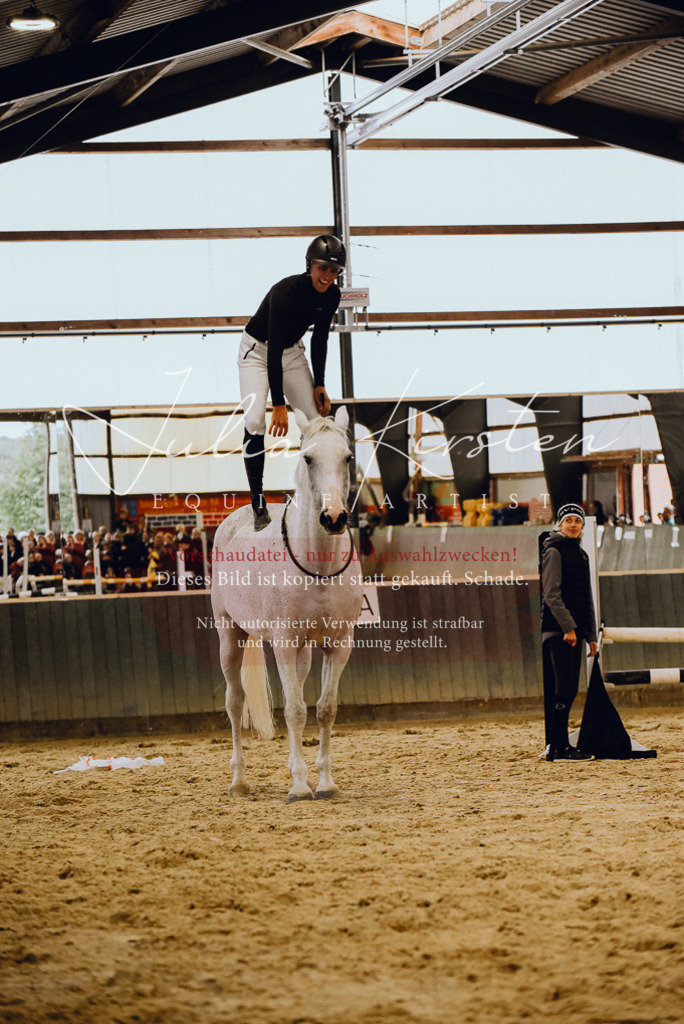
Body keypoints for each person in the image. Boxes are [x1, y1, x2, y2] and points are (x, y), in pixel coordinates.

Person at [238, 234, 346, 531]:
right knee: (256, 419)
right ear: (310, 265)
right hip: (258, 352)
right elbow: (272, 350)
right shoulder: (285, 292)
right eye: (323, 268)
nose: (327, 276)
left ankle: (322, 498)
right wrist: (278, 404)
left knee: (316, 421)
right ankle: (258, 503)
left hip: (292, 353)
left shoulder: (332, 295)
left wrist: (320, 384)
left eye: (334, 271)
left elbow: (321, 338)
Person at [541, 503, 598, 761]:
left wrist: (592, 635)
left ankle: (557, 746)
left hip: (575, 632)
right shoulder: (554, 551)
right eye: (568, 521)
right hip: (560, 631)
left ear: (582, 525)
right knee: (564, 689)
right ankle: (559, 747)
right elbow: (551, 595)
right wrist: (569, 627)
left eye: (577, 520)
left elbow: (586, 597)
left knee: (569, 689)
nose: (573, 524)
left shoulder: (581, 554)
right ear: (560, 524)